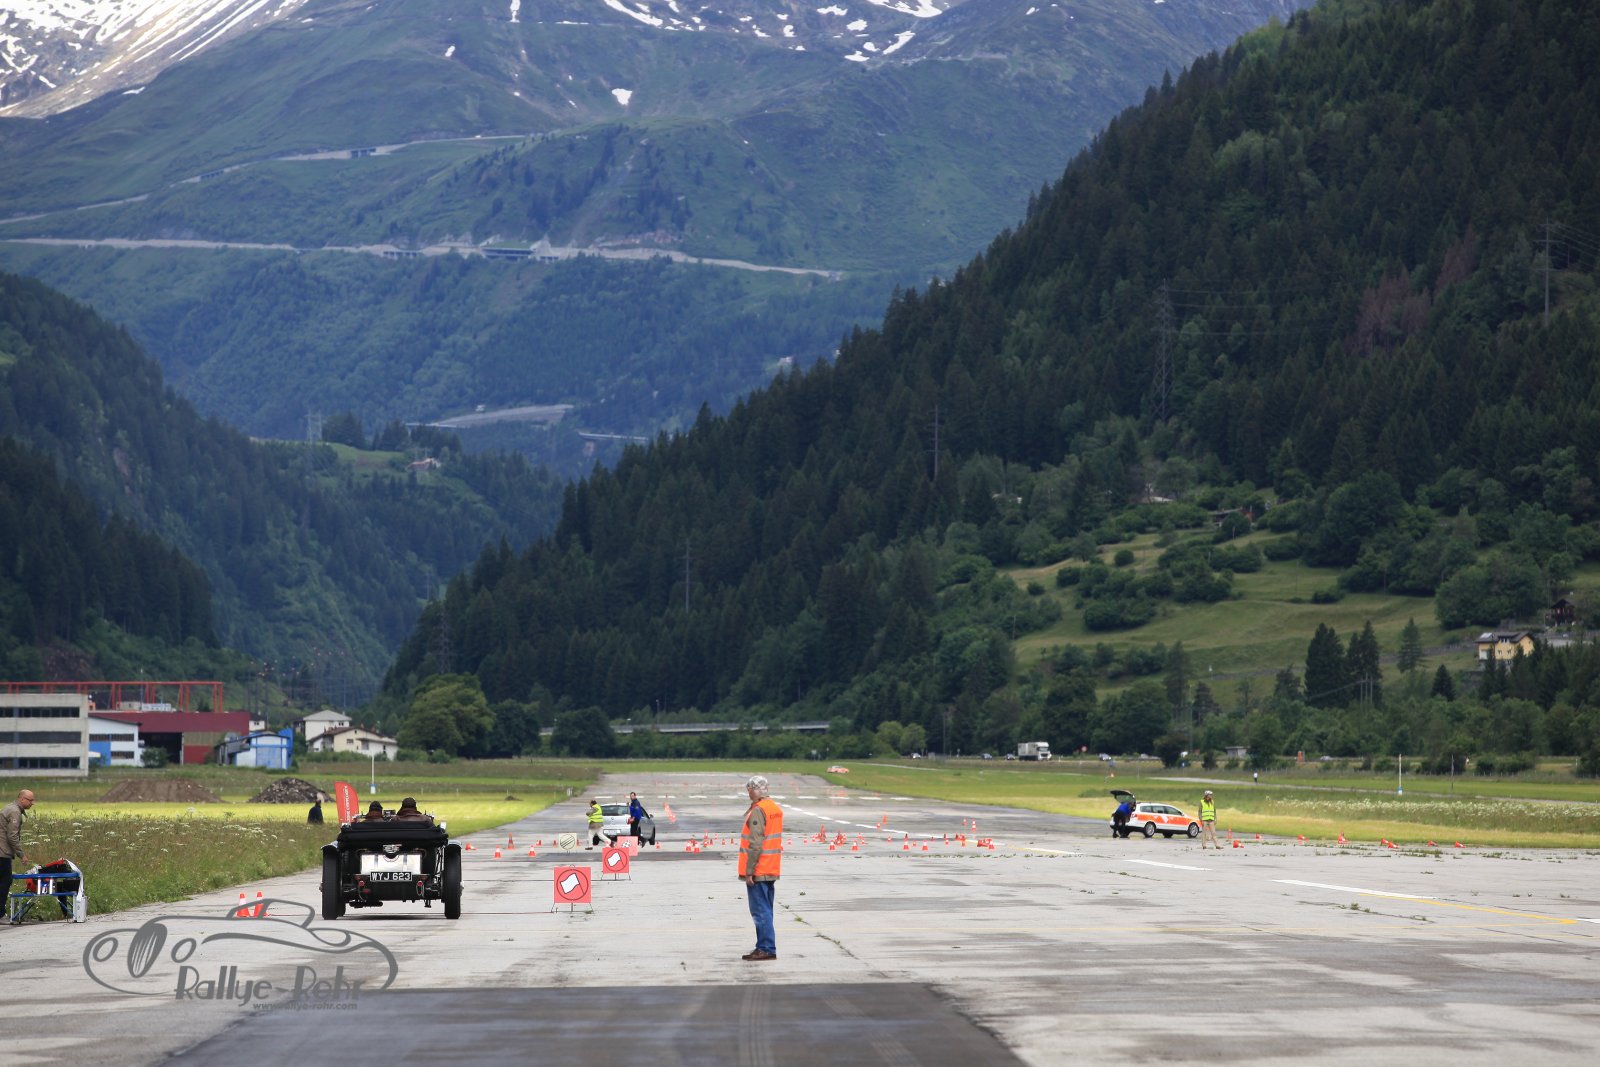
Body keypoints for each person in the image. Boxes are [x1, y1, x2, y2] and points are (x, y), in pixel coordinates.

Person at [738, 775, 783, 961]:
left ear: (754, 790)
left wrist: (749, 871)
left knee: (760, 911)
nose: (748, 793)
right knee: (766, 909)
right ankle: (764, 946)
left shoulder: (759, 810)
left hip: (759, 869)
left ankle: (766, 948)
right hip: (771, 867)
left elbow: (755, 843)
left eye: (749, 790)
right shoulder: (774, 808)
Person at [2, 789, 35, 903]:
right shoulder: (15, 811)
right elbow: (12, 836)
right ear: (22, 799)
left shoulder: (9, 807)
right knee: (5, 882)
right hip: (2, 853)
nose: (32, 803)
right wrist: (21, 855)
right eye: (30, 800)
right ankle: (1, 911)